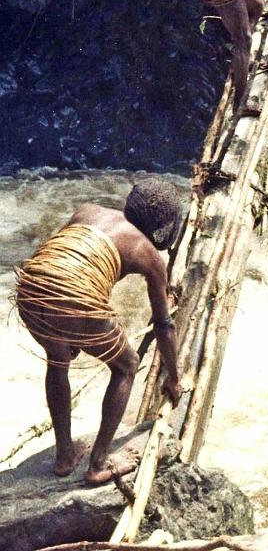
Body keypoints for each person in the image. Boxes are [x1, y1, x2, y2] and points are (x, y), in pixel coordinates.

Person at [14, 177, 183, 485]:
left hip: (32, 289)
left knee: (58, 358)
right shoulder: (149, 254)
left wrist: (71, 332)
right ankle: (99, 464)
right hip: (73, 296)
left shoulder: (87, 210)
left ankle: (65, 456)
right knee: (127, 366)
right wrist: (173, 378)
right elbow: (163, 324)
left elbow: (69, 258)